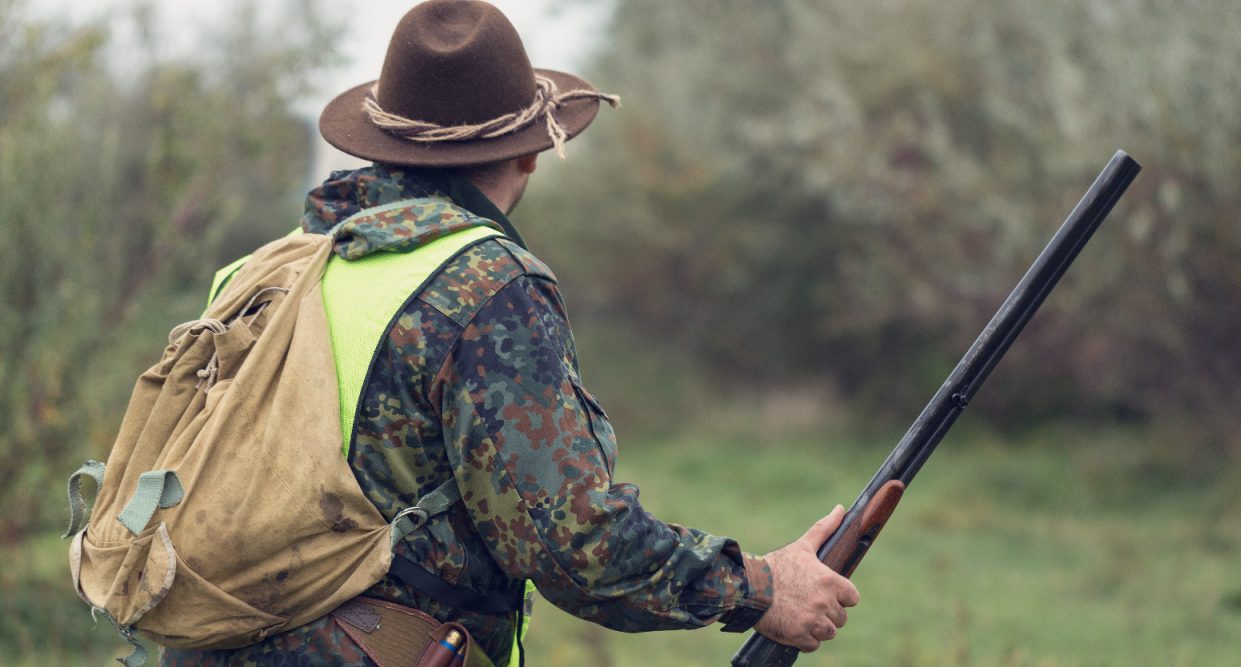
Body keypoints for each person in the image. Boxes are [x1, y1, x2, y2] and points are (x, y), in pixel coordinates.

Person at [161, 0, 857, 664]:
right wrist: (760, 586)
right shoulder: (486, 285)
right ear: (527, 152)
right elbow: (577, 546)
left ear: (385, 145)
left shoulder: (263, 271)